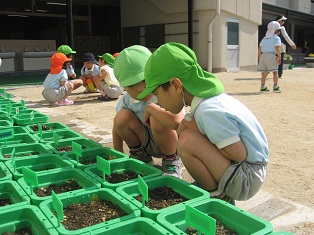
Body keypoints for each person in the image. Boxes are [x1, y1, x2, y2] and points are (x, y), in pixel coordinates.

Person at [137, 42, 269, 203]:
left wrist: (194, 130)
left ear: (175, 85)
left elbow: (238, 154)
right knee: (186, 132)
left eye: (157, 94)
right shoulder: (207, 102)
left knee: (187, 142)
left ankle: (217, 197)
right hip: (243, 169)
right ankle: (210, 186)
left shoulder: (208, 111)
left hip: (247, 177)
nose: (159, 102)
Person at [112, 45, 184, 178]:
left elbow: (177, 122)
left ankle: (171, 163)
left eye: (144, 80)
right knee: (121, 117)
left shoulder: (165, 91)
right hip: (146, 142)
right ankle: (142, 158)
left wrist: (151, 108)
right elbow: (117, 126)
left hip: (173, 144)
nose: (140, 89)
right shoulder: (127, 101)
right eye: (131, 85)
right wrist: (118, 155)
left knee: (157, 117)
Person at [258, 21, 282, 93]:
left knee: (264, 73)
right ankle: (275, 86)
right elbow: (277, 47)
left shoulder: (264, 38)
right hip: (271, 55)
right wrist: (279, 56)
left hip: (263, 55)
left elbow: (259, 47)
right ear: (277, 30)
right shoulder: (276, 38)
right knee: (275, 72)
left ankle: (263, 86)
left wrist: (259, 56)